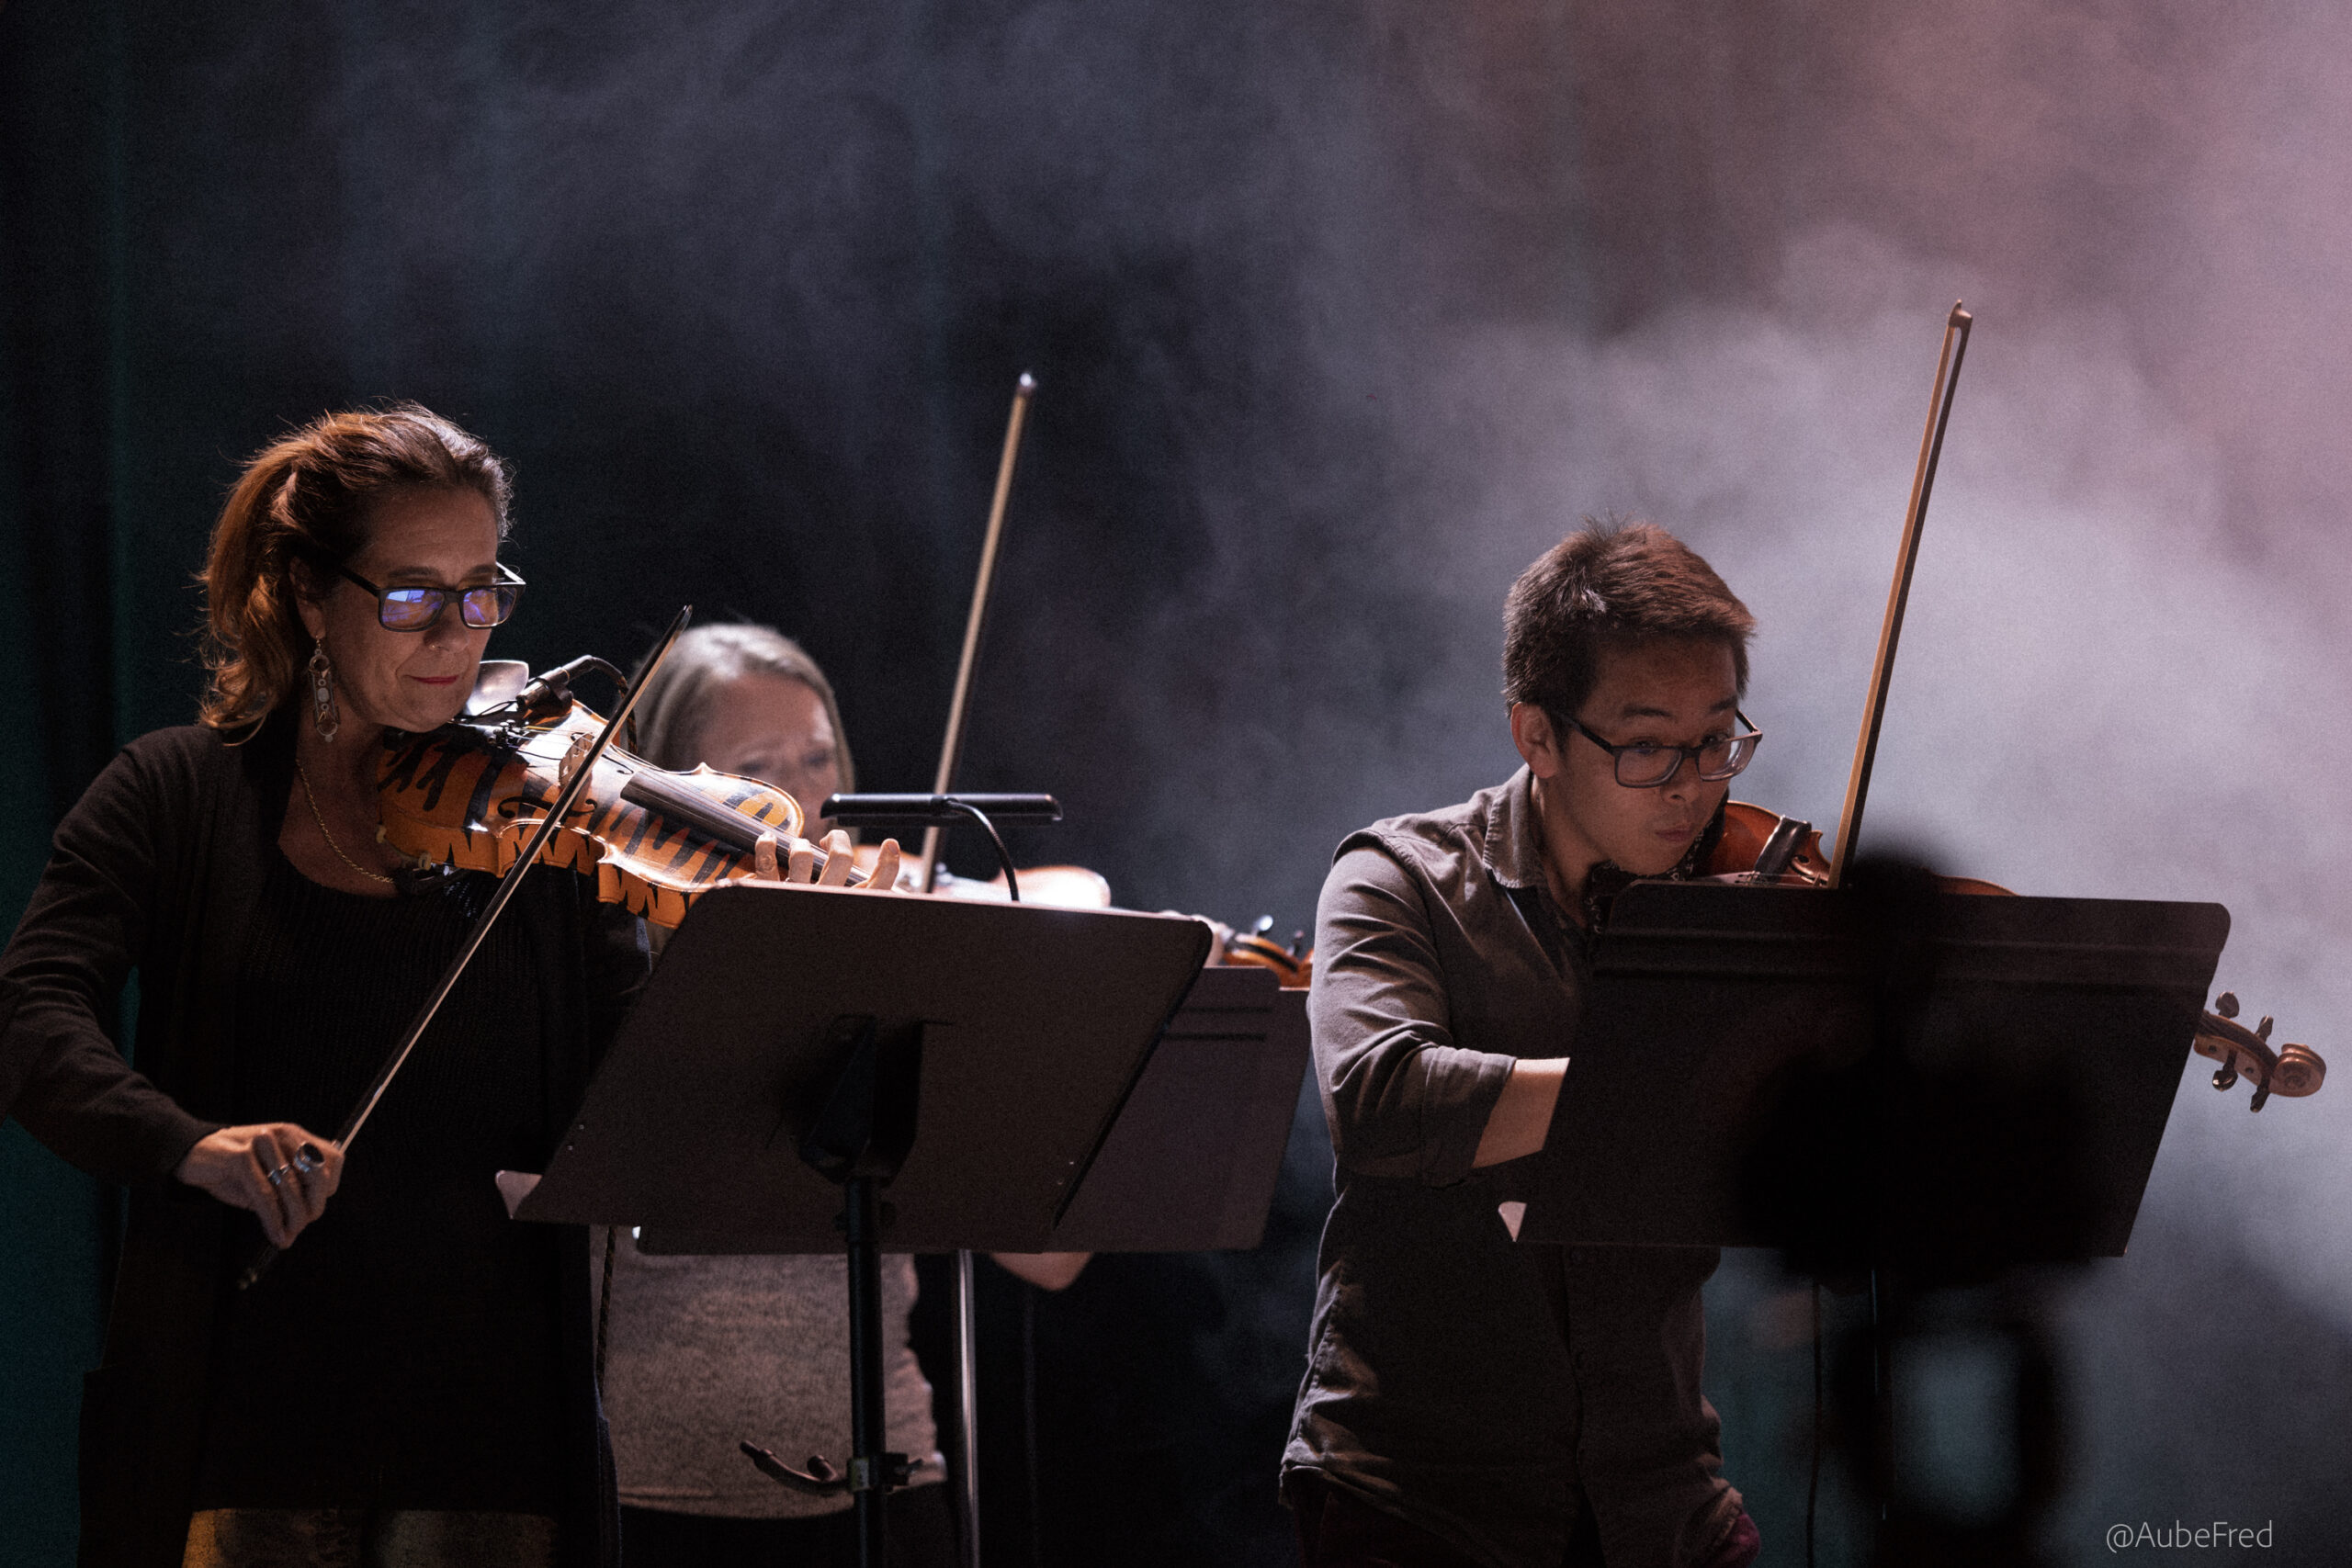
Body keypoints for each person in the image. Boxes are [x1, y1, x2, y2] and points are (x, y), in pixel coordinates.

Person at [0, 409, 855, 1568]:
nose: (456, 635)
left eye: (482, 590)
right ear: (309, 593)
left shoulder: (550, 822)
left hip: (493, 1442)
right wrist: (189, 1146)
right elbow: (30, 1015)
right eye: (411, 595)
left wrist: (773, 954)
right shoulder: (178, 797)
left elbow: (638, 1096)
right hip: (238, 1426)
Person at [1282, 521, 1767, 1568]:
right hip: (1426, 1500)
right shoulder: (1397, 880)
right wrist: (1649, 1069)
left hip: (1662, 1500)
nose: (1693, 785)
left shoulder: (1738, 912)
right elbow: (1379, 1100)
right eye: (1645, 746)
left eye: (1719, 738)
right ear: (1536, 736)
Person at [600, 623, 1083, 1568]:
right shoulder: (613, 958)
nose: (806, 800)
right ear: (677, 786)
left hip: (893, 1475)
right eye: (758, 767)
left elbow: (1051, 1255)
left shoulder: (902, 942)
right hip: (659, 1491)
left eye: (820, 759)